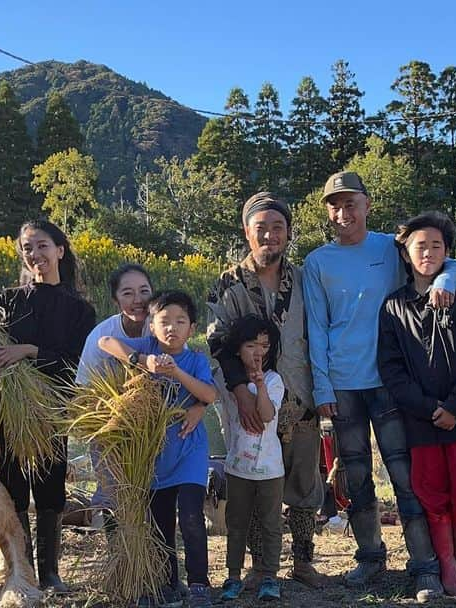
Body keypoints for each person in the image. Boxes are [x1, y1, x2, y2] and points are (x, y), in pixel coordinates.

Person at [303, 171, 456, 598]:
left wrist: (446, 281)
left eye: (351, 203)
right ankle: (370, 558)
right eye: (335, 205)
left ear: (367, 204)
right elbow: (316, 328)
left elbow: (445, 261)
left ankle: (424, 564)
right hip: (343, 385)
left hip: (393, 381)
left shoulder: (390, 247)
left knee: (405, 475)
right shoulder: (317, 262)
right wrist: (322, 388)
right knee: (355, 478)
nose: (343, 212)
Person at [206, 192, 325, 589]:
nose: (270, 236)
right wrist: (240, 392)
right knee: (257, 482)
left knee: (305, 481)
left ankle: (304, 560)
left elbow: (318, 332)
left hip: (299, 392)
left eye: (278, 228)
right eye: (262, 229)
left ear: (288, 233)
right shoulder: (229, 283)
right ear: (247, 232)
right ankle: (260, 567)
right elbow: (219, 344)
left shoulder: (305, 278)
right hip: (248, 401)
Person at [378, 211, 456, 599]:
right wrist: (429, 409)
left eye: (436, 246)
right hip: (422, 421)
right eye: (420, 245)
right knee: (432, 490)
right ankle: (445, 561)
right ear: (406, 252)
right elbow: (391, 370)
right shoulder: (393, 306)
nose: (428, 252)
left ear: (447, 252)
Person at [0, 219, 96, 593]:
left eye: (43, 246)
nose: (35, 254)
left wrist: (28, 351)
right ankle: (22, 571)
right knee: (13, 486)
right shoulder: (6, 301)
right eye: (27, 247)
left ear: (60, 251)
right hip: (9, 409)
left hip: (51, 410)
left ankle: (50, 572)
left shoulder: (79, 309)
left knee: (50, 488)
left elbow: (75, 364)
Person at [97, 291, 217, 608]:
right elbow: (105, 343)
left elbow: (209, 394)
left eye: (180, 322)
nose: (171, 328)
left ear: (192, 328)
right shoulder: (146, 349)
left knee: (191, 517)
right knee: (160, 523)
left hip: (189, 452)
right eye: (164, 322)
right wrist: (141, 361)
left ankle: (199, 584)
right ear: (151, 326)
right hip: (154, 457)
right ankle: (167, 582)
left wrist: (176, 373)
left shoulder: (195, 360)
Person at [76, 263, 154, 533]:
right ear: (115, 299)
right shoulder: (101, 335)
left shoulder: (164, 330)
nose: (138, 300)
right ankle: (121, 560)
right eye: (128, 293)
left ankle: (155, 563)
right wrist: (113, 413)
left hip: (152, 428)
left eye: (144, 291)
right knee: (112, 491)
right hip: (109, 427)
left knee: (152, 492)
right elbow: (83, 392)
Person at [217, 315, 286, 602]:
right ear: (237, 349)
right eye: (250, 346)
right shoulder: (227, 381)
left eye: (264, 346)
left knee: (271, 523)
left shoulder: (274, 380)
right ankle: (233, 576)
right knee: (236, 522)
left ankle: (270, 577)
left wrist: (261, 386)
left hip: (270, 468)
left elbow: (267, 416)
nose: (258, 353)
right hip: (237, 467)